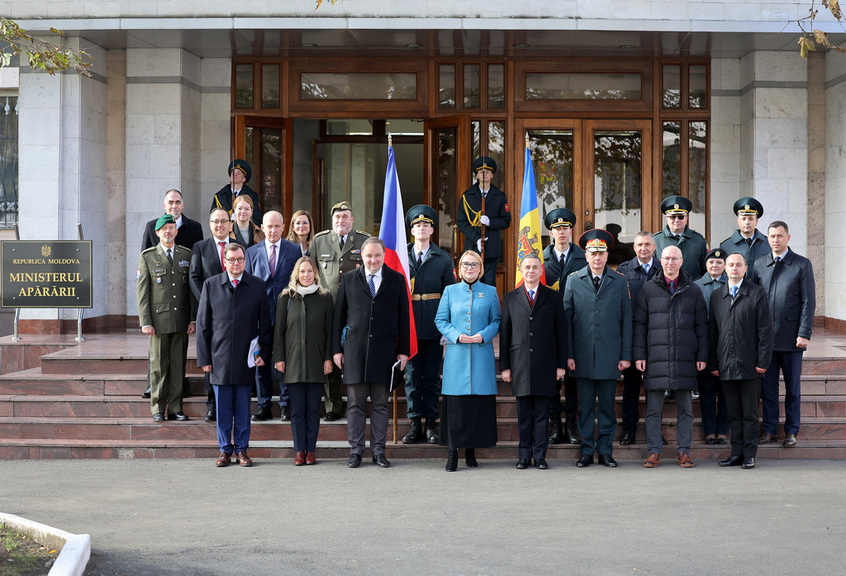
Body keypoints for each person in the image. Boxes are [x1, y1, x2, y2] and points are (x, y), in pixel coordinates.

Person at [332, 237, 410, 469]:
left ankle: (378, 451)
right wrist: (336, 349)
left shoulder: (396, 280)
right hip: (354, 351)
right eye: (368, 256)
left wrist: (403, 351)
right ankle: (356, 451)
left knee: (380, 405)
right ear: (361, 257)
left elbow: (404, 318)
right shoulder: (348, 279)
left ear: (384, 255)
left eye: (377, 255)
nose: (373, 260)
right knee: (355, 405)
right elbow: (339, 316)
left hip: (384, 352)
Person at [196, 243, 272, 468]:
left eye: (240, 259)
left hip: (245, 359)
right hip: (218, 358)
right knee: (222, 409)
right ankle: (224, 450)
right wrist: (205, 359)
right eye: (232, 260)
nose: (236, 263)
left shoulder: (257, 286)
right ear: (225, 262)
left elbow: (266, 325)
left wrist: (264, 353)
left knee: (242, 409)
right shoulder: (211, 285)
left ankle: (242, 450)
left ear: (245, 261)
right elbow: (202, 325)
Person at [634, 245, 709, 469]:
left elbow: (701, 325)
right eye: (666, 258)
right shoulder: (648, 289)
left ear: (681, 261)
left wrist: (702, 354)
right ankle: (654, 452)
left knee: (686, 408)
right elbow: (639, 325)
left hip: (685, 356)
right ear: (660, 260)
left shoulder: (693, 290)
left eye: (674, 258)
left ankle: (684, 451)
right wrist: (639, 354)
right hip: (655, 357)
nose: (670, 262)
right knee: (653, 409)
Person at [563, 229, 631, 468]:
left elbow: (626, 320)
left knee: (607, 408)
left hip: (610, 356)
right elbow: (567, 320)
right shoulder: (573, 280)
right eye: (593, 253)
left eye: (601, 253)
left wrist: (625, 355)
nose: (598, 257)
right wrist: (568, 354)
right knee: (584, 408)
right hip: (581, 356)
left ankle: (605, 451)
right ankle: (586, 450)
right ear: (586, 254)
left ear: (606, 254)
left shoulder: (619, 280)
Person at [751, 221, 816, 447]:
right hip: (766, 340)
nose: (775, 240)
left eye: (779, 236)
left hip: (792, 338)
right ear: (767, 239)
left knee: (792, 389)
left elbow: (808, 301)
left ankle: (791, 431)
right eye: (772, 236)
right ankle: (769, 430)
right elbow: (753, 302)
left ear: (788, 238)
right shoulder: (759, 265)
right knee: (768, 388)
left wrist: (804, 332)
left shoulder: (801, 264)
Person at [435, 249, 500, 472]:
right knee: (456, 407)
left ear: (480, 269)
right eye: (465, 265)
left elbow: (497, 320)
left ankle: (471, 451)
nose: (469, 268)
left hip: (481, 354)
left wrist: (484, 335)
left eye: (474, 265)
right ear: (459, 269)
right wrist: (455, 335)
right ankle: (453, 452)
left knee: (475, 407)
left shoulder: (490, 292)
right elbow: (441, 320)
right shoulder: (450, 291)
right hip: (457, 354)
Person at [500, 255, 567, 470]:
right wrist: (505, 366)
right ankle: (523, 456)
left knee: (542, 415)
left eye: (535, 267)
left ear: (541, 271)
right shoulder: (510, 298)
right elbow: (505, 335)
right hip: (519, 365)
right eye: (527, 267)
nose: (531, 271)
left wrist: (560, 365)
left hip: (545, 365)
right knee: (524, 416)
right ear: (521, 270)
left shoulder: (553, 297)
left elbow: (560, 334)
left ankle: (540, 456)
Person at [710, 253, 774, 469]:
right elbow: (713, 332)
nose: (734, 268)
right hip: (726, 365)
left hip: (750, 365)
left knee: (749, 413)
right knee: (733, 413)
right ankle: (736, 452)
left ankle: (749, 454)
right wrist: (713, 363)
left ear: (746, 269)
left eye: (739, 265)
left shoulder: (756, 293)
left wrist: (763, 361)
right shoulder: (717, 295)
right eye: (731, 265)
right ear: (725, 269)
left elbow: (765, 331)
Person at [139, 189, 204, 399]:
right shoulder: (152, 226)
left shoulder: (194, 228)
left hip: (182, 302)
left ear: (183, 204)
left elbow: (197, 265)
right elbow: (145, 264)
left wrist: (194, 313)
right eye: (170, 202)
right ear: (164, 205)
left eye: (177, 202)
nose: (174, 206)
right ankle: (153, 385)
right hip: (160, 303)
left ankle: (177, 390)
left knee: (178, 353)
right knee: (157, 353)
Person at [311, 201, 371, 421]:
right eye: (337, 217)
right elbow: (313, 272)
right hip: (329, 307)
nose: (341, 221)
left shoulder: (364, 240)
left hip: (355, 309)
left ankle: (359, 403)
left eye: (345, 217)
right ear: (332, 220)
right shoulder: (319, 241)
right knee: (331, 356)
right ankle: (333, 406)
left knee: (356, 356)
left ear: (352, 219)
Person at [402, 204, 456, 445]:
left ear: (432, 230)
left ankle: (431, 423)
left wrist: (447, 328)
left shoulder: (443, 259)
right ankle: (415, 424)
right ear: (411, 230)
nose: (421, 228)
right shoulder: (401, 256)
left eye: (425, 225)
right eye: (417, 225)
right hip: (410, 325)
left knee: (432, 376)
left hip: (434, 324)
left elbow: (449, 296)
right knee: (412, 377)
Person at [273, 257, 335, 466]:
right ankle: (299, 450)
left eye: (309, 271)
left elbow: (330, 331)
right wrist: (279, 357)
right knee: (297, 410)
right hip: (293, 362)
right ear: (296, 275)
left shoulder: (325, 298)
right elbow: (278, 331)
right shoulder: (286, 298)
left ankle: (311, 450)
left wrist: (328, 358)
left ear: (315, 273)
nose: (306, 275)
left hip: (317, 360)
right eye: (302, 272)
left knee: (312, 410)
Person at [136, 214, 195, 422]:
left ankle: (177, 407)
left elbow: (190, 290)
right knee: (159, 365)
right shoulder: (148, 256)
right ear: (157, 233)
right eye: (164, 229)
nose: (168, 232)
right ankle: (158, 408)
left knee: (178, 365)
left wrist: (193, 319)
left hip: (181, 319)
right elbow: (142, 292)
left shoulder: (186, 254)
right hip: (158, 322)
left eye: (171, 228)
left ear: (176, 231)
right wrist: (146, 321)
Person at [244, 210, 302, 422]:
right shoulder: (251, 252)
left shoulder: (295, 250)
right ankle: (264, 405)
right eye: (269, 226)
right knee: (261, 360)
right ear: (262, 228)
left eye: (277, 226)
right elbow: (248, 285)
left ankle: (286, 405)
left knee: (285, 359)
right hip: (260, 316)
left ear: (284, 227)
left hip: (288, 314)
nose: (273, 230)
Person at [541, 208, 587, 445]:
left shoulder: (582, 257)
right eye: (557, 228)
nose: (562, 232)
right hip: (548, 327)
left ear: (571, 231)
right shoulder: (540, 259)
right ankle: (554, 426)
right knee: (551, 380)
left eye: (565, 228)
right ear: (550, 232)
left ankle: (571, 426)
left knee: (573, 381)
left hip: (576, 325)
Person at [188, 207, 234, 422]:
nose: (219, 225)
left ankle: (233, 402)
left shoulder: (240, 248)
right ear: (210, 224)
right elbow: (194, 277)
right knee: (210, 358)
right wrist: (208, 301)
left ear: (230, 224)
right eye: (215, 221)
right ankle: (211, 404)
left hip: (235, 312)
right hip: (209, 313)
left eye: (223, 221)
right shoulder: (200, 247)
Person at [616, 230, 660, 445]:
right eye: (640, 244)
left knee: (656, 388)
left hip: (658, 336)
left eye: (647, 244)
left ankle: (656, 431)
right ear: (634, 248)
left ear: (654, 247)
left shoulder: (664, 269)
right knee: (631, 387)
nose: (643, 248)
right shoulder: (624, 270)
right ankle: (629, 429)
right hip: (633, 336)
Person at [456, 156, 512, 286]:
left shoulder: (499, 196)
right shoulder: (467, 196)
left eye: (487, 172)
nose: (484, 174)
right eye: (481, 172)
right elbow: (461, 222)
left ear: (492, 175)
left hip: (491, 247)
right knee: (472, 281)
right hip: (472, 246)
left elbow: (506, 221)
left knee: (489, 282)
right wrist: (476, 238)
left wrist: (490, 222)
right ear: (477, 175)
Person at [694, 248, 730, 445]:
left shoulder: (732, 283)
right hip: (705, 344)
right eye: (711, 263)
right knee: (706, 390)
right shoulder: (696, 286)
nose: (715, 266)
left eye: (719, 263)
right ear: (705, 265)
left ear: (724, 265)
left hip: (727, 345)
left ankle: (723, 429)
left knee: (725, 389)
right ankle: (709, 430)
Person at [653, 195, 708, 279]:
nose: (676, 220)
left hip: (692, 289)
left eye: (681, 217)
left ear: (687, 218)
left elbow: (705, 271)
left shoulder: (699, 241)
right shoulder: (656, 240)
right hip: (664, 289)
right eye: (672, 217)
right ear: (666, 219)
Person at [719, 197, 769, 279]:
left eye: (751, 219)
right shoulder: (726, 245)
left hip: (762, 289)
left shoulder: (767, 243)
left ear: (756, 222)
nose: (747, 222)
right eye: (743, 219)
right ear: (738, 221)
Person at [210, 159, 262, 226]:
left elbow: (257, 220)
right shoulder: (220, 196)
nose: (235, 175)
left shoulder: (252, 196)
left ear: (244, 179)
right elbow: (213, 219)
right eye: (233, 172)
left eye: (239, 173)